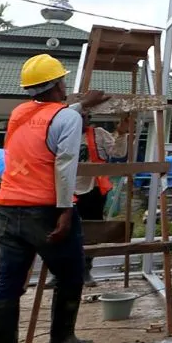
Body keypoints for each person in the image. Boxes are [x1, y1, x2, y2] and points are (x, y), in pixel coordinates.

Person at [0, 54, 108, 343]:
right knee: (70, 276)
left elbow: (49, 119)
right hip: (46, 209)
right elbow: (65, 164)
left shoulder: (19, 113)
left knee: (8, 284)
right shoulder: (66, 118)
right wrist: (66, 210)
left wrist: (81, 106)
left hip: (8, 207)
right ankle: (61, 340)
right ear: (58, 84)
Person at [72, 110, 131, 285]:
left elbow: (118, 153)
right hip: (66, 189)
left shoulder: (98, 134)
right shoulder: (62, 134)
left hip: (93, 189)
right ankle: (60, 272)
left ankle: (85, 269)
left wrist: (122, 133)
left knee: (92, 231)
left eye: (84, 117)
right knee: (65, 230)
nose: (81, 120)